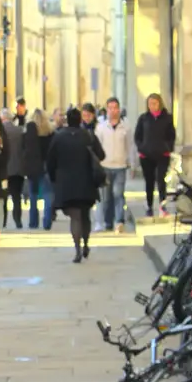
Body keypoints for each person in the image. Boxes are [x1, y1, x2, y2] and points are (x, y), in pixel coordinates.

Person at [46, 106, 105, 262]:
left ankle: (77, 248)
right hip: (86, 182)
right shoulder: (88, 136)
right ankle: (86, 243)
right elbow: (101, 155)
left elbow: (50, 161)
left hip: (66, 184)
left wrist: (54, 179)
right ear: (79, 120)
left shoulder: (58, 137)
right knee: (85, 215)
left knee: (75, 217)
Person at [134, 93, 176, 217]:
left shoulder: (167, 118)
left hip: (162, 154)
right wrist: (141, 148)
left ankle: (162, 206)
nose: (152, 106)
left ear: (160, 103)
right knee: (149, 181)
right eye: (150, 104)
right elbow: (137, 136)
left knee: (161, 180)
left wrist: (167, 147)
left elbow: (171, 136)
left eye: (155, 103)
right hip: (146, 155)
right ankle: (149, 206)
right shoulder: (143, 118)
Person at [96, 97, 131, 234]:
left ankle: (119, 221)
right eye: (110, 108)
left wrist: (131, 162)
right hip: (105, 165)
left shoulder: (125, 127)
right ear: (107, 110)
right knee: (106, 197)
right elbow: (98, 146)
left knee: (118, 193)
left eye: (115, 107)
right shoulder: (101, 127)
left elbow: (129, 145)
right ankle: (108, 221)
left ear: (119, 109)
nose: (113, 110)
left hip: (120, 165)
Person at [23, 109, 53, 230]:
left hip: (32, 167)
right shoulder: (49, 134)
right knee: (47, 195)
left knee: (33, 195)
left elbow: (23, 151)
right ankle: (47, 221)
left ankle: (33, 222)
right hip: (46, 167)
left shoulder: (27, 135)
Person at [2, 103, 27, 229]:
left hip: (4, 171)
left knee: (4, 197)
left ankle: (3, 221)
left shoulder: (0, 132)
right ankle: (18, 220)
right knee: (17, 196)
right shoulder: (19, 131)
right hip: (18, 169)